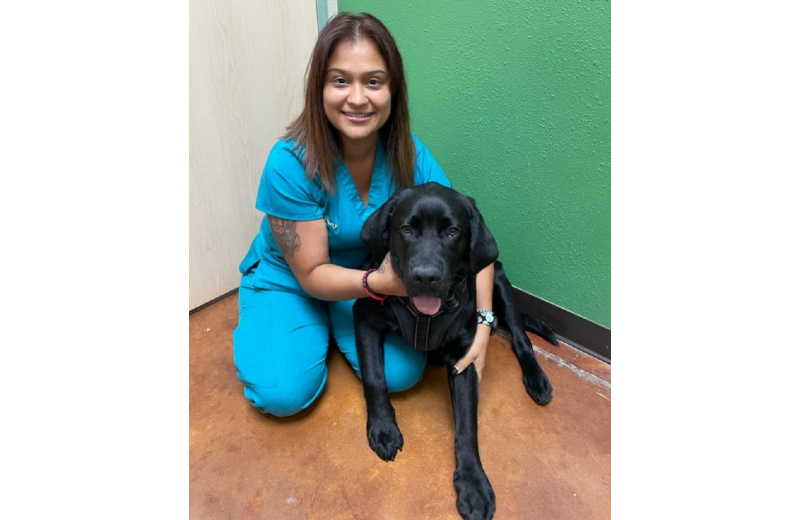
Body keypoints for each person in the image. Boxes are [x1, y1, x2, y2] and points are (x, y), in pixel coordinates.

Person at [234, 12, 495, 417]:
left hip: (364, 280)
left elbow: (467, 234)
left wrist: (483, 327)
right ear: (319, 88)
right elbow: (311, 273)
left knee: (403, 374)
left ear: (393, 91)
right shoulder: (287, 163)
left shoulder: (409, 153)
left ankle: (332, 333)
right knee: (281, 393)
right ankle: (296, 329)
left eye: (373, 81)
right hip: (292, 280)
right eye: (340, 80)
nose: (357, 98)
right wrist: (383, 283)